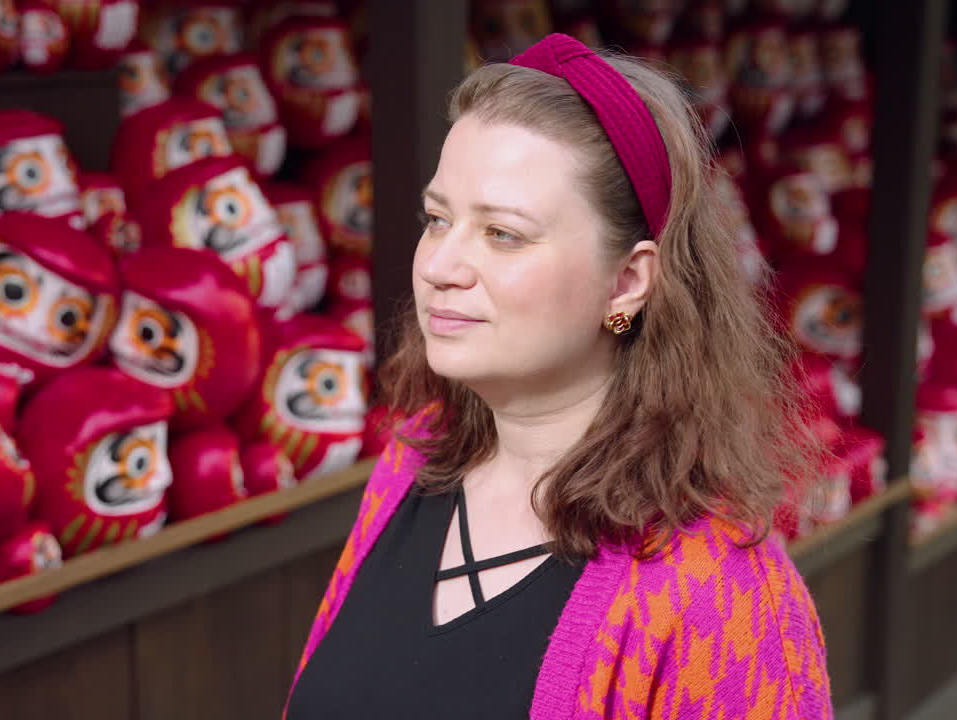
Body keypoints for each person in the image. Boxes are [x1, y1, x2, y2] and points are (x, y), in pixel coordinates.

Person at [282, 33, 833, 719]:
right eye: (437, 218)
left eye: (503, 234)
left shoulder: (725, 597)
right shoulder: (411, 465)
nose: (439, 265)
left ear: (627, 281)